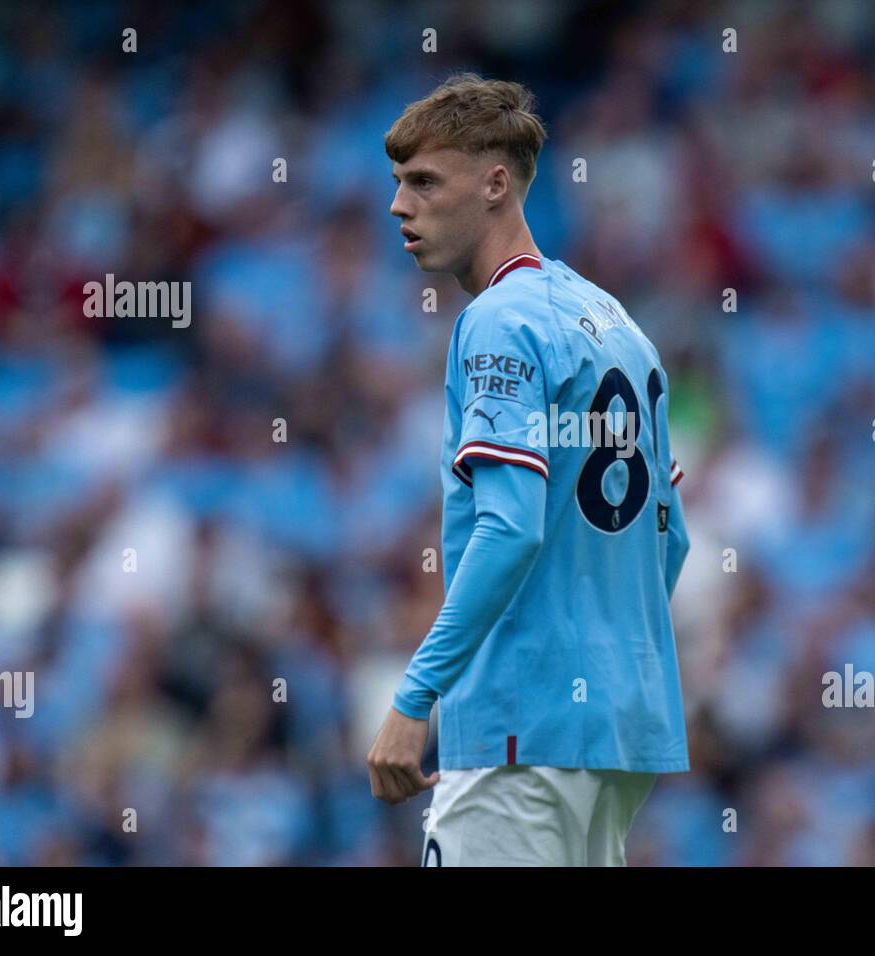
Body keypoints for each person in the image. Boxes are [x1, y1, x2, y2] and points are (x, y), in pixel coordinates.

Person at [368, 72, 691, 866]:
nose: (398, 207)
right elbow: (671, 540)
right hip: (619, 733)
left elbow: (509, 530)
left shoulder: (498, 323)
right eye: (398, 184)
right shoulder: (617, 322)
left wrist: (415, 698)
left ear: (495, 184)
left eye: (422, 182)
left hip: (520, 729)